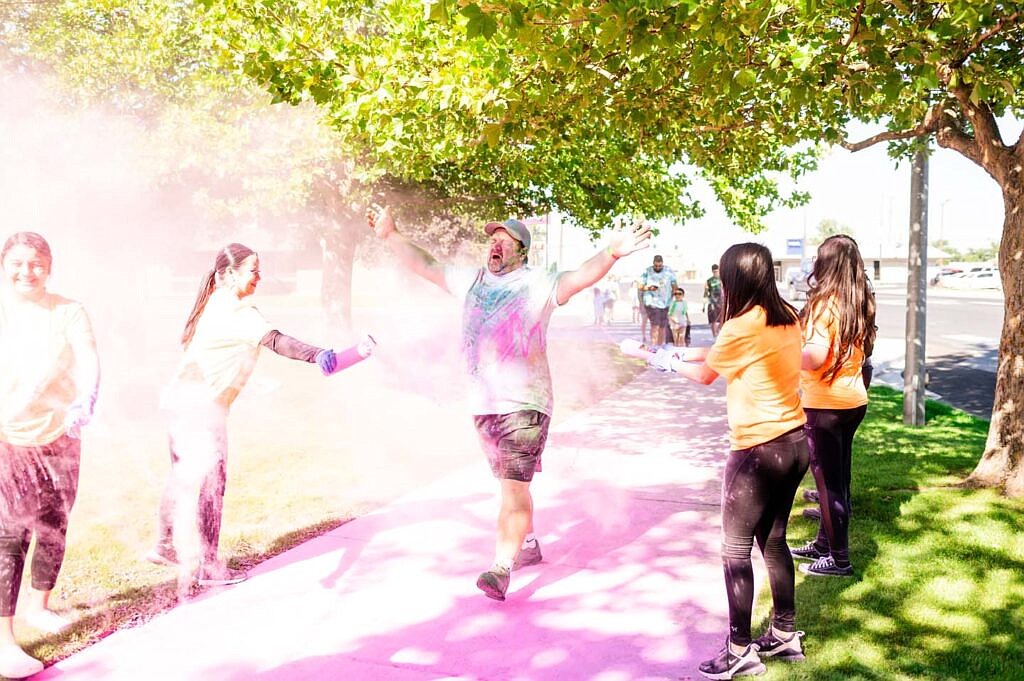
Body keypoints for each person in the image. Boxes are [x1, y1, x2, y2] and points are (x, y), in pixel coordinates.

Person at [366, 207, 651, 602]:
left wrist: (611, 253)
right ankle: (528, 543)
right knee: (509, 485)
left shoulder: (538, 283)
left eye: (505, 240)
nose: (495, 244)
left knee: (514, 488)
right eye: (492, 238)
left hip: (526, 402)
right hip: (483, 403)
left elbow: (578, 277)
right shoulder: (473, 280)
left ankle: (500, 568)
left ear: (521, 252)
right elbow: (427, 265)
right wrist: (390, 235)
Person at [148, 243, 375, 588]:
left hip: (181, 405)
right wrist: (319, 355)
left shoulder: (213, 303)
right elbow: (277, 342)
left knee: (184, 475)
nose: (260, 276)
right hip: (202, 411)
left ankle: (165, 544)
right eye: (253, 270)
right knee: (212, 484)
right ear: (228, 274)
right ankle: (208, 567)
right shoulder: (238, 311)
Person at [646, 243, 809, 679]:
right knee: (773, 542)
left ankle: (740, 649)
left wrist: (661, 361)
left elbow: (705, 375)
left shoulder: (741, 324)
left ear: (734, 280)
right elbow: (722, 354)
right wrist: (675, 353)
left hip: (757, 452)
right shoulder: (787, 316)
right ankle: (786, 633)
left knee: (735, 550)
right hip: (795, 444)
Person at [0, 232, 100, 679]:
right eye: (18, 263)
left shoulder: (68, 311)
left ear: (49, 266)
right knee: (11, 532)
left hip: (61, 434)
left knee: (55, 523)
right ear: (5, 265)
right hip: (10, 437)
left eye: (36, 263)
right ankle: (3, 642)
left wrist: (88, 398)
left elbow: (89, 358)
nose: (27, 271)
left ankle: (39, 606)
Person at [790, 235, 875, 578]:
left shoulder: (825, 304)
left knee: (829, 485)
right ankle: (824, 544)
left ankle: (839, 559)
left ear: (825, 263)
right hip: (853, 401)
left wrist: (782, 354)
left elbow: (814, 358)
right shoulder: (860, 300)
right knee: (838, 480)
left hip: (825, 405)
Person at [640, 255, 676, 347]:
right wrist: (649, 288)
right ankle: (654, 346)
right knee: (655, 325)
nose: (658, 268)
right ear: (653, 264)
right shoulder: (647, 271)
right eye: (656, 266)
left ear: (662, 264)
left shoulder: (668, 271)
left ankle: (660, 347)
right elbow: (640, 286)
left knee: (662, 327)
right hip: (651, 302)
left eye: (660, 266)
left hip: (665, 303)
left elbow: (674, 284)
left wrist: (675, 293)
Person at [703, 263, 724, 338]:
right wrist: (704, 304)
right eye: (714, 271)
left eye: (717, 271)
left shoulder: (722, 279)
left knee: (723, 318)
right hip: (712, 302)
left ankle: (718, 331)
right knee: (713, 320)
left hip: (721, 301)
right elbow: (705, 293)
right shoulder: (709, 281)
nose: (716, 273)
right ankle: (714, 335)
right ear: (712, 271)